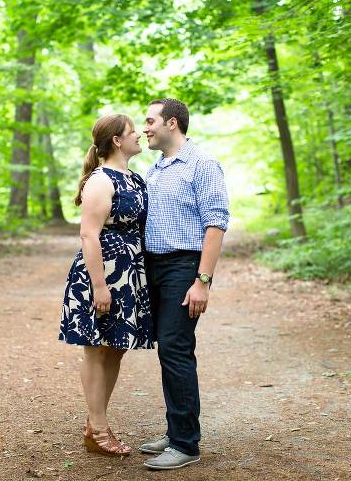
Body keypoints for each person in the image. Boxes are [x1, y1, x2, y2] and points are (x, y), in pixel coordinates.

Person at [139, 98, 229, 470]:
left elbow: (216, 222)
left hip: (184, 266)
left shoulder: (202, 164)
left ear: (171, 123)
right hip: (154, 267)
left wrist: (202, 281)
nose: (144, 128)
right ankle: (177, 427)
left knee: (175, 348)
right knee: (167, 348)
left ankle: (185, 444)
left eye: (149, 121)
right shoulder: (154, 169)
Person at [58, 113, 153, 456]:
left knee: (115, 347)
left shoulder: (135, 178)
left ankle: (94, 424)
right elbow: (89, 234)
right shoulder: (101, 181)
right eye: (133, 132)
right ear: (117, 140)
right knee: (96, 348)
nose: (140, 136)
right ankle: (98, 429)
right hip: (102, 274)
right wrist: (100, 286)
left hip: (129, 273)